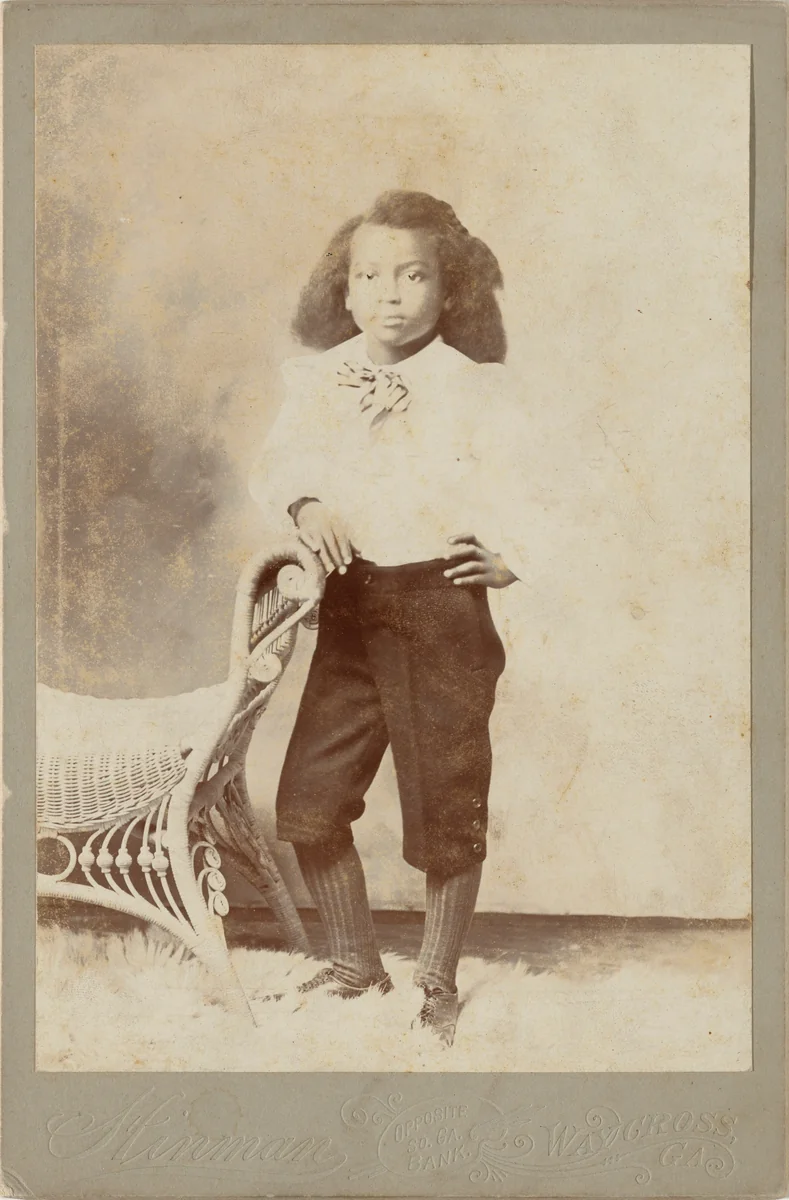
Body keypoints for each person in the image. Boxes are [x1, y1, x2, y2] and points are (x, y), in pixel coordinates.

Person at [249, 190, 529, 1046]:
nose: (389, 294)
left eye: (413, 276)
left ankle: (436, 982)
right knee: (308, 801)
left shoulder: (472, 389)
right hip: (350, 605)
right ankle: (353, 963)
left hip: (439, 609)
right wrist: (304, 503)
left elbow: (540, 484)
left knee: (444, 808)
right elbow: (278, 463)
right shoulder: (320, 376)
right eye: (368, 275)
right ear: (342, 287)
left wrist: (510, 556)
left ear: (450, 292)